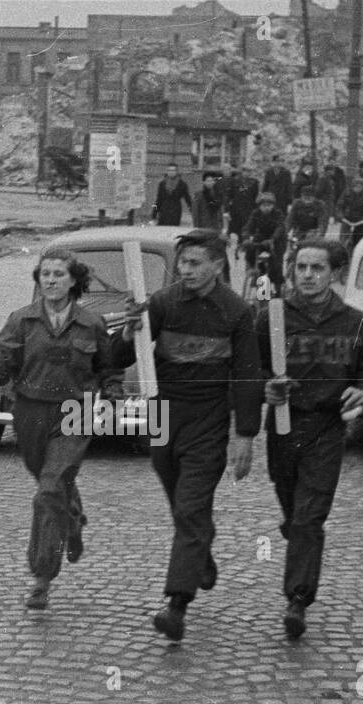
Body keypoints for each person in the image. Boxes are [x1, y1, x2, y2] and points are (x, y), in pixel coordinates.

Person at [118, 229, 263, 642]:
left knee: (190, 507)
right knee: (184, 508)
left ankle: (176, 606)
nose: (186, 271)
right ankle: (200, 553)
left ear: (218, 265)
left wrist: (246, 435)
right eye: (182, 263)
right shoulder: (162, 303)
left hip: (208, 420)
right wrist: (131, 331)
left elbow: (248, 375)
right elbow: (119, 356)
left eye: (195, 263)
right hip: (162, 416)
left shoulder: (236, 312)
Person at [0, 249, 128, 609]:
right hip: (29, 411)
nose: (51, 280)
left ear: (74, 280)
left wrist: (112, 397)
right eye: (45, 273)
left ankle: (41, 576)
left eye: (59, 274)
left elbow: (108, 368)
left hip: (76, 411)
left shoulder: (91, 323)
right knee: (52, 483)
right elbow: (4, 368)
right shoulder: (21, 320)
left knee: (49, 490)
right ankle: (72, 519)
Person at [257, 240, 363, 638]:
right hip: (283, 427)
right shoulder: (271, 317)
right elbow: (248, 372)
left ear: (335, 274)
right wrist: (265, 389)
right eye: (301, 267)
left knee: (310, 516)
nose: (308, 275)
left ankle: (297, 598)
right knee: (295, 512)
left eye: (317, 268)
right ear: (291, 272)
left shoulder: (353, 321)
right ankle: (298, 538)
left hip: (326, 428)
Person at [240, 191, 287, 294]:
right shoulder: (255, 213)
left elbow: (280, 227)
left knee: (276, 262)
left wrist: (272, 239)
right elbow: (248, 227)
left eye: (269, 205)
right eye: (263, 205)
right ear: (259, 206)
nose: (266, 208)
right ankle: (255, 272)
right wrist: (246, 237)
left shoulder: (278, 213)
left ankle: (278, 286)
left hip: (277, 239)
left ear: (273, 206)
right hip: (261, 238)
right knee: (252, 250)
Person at [336, 176, 363, 251]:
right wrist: (341, 217)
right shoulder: (347, 192)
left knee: (360, 240)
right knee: (342, 241)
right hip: (348, 218)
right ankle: (341, 252)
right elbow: (339, 206)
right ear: (352, 186)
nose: (357, 189)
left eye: (360, 187)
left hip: (362, 219)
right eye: (355, 187)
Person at [222, 163, 259, 238]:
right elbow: (229, 195)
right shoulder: (234, 181)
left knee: (246, 230)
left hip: (248, 209)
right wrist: (226, 210)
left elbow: (255, 197)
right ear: (242, 171)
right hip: (236, 209)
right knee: (234, 231)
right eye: (246, 171)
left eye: (250, 171)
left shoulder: (254, 182)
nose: (248, 173)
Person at [315, 152, 347, 221]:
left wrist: (343, 189)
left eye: (333, 161)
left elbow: (343, 181)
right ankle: (330, 218)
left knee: (337, 205)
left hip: (338, 190)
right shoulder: (325, 171)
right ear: (329, 162)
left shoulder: (340, 171)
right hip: (329, 191)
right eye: (331, 161)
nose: (332, 163)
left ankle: (336, 218)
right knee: (330, 206)